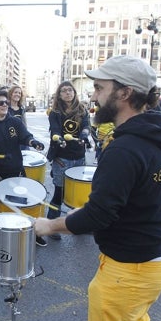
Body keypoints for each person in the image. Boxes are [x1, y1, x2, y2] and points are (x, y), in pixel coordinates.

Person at [33, 55, 161, 321]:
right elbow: (137, 198)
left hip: (127, 273)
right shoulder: (160, 133)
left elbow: (96, 217)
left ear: (124, 93)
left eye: (100, 88)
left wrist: (48, 225)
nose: (93, 96)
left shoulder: (125, 149)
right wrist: (91, 211)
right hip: (157, 261)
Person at [0, 90, 45, 216]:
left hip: (17, 173)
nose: (5, 105)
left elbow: (25, 136)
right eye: (0, 103)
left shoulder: (15, 122)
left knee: (19, 207)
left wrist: (33, 142)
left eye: (6, 102)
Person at [45, 81, 91, 244]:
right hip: (61, 157)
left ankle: (77, 224)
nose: (67, 93)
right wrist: (59, 140)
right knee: (59, 192)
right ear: (59, 94)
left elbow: (86, 126)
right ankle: (51, 225)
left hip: (79, 156)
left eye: (70, 90)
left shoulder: (82, 109)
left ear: (74, 92)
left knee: (78, 194)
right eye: (64, 91)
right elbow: (56, 130)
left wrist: (84, 135)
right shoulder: (55, 112)